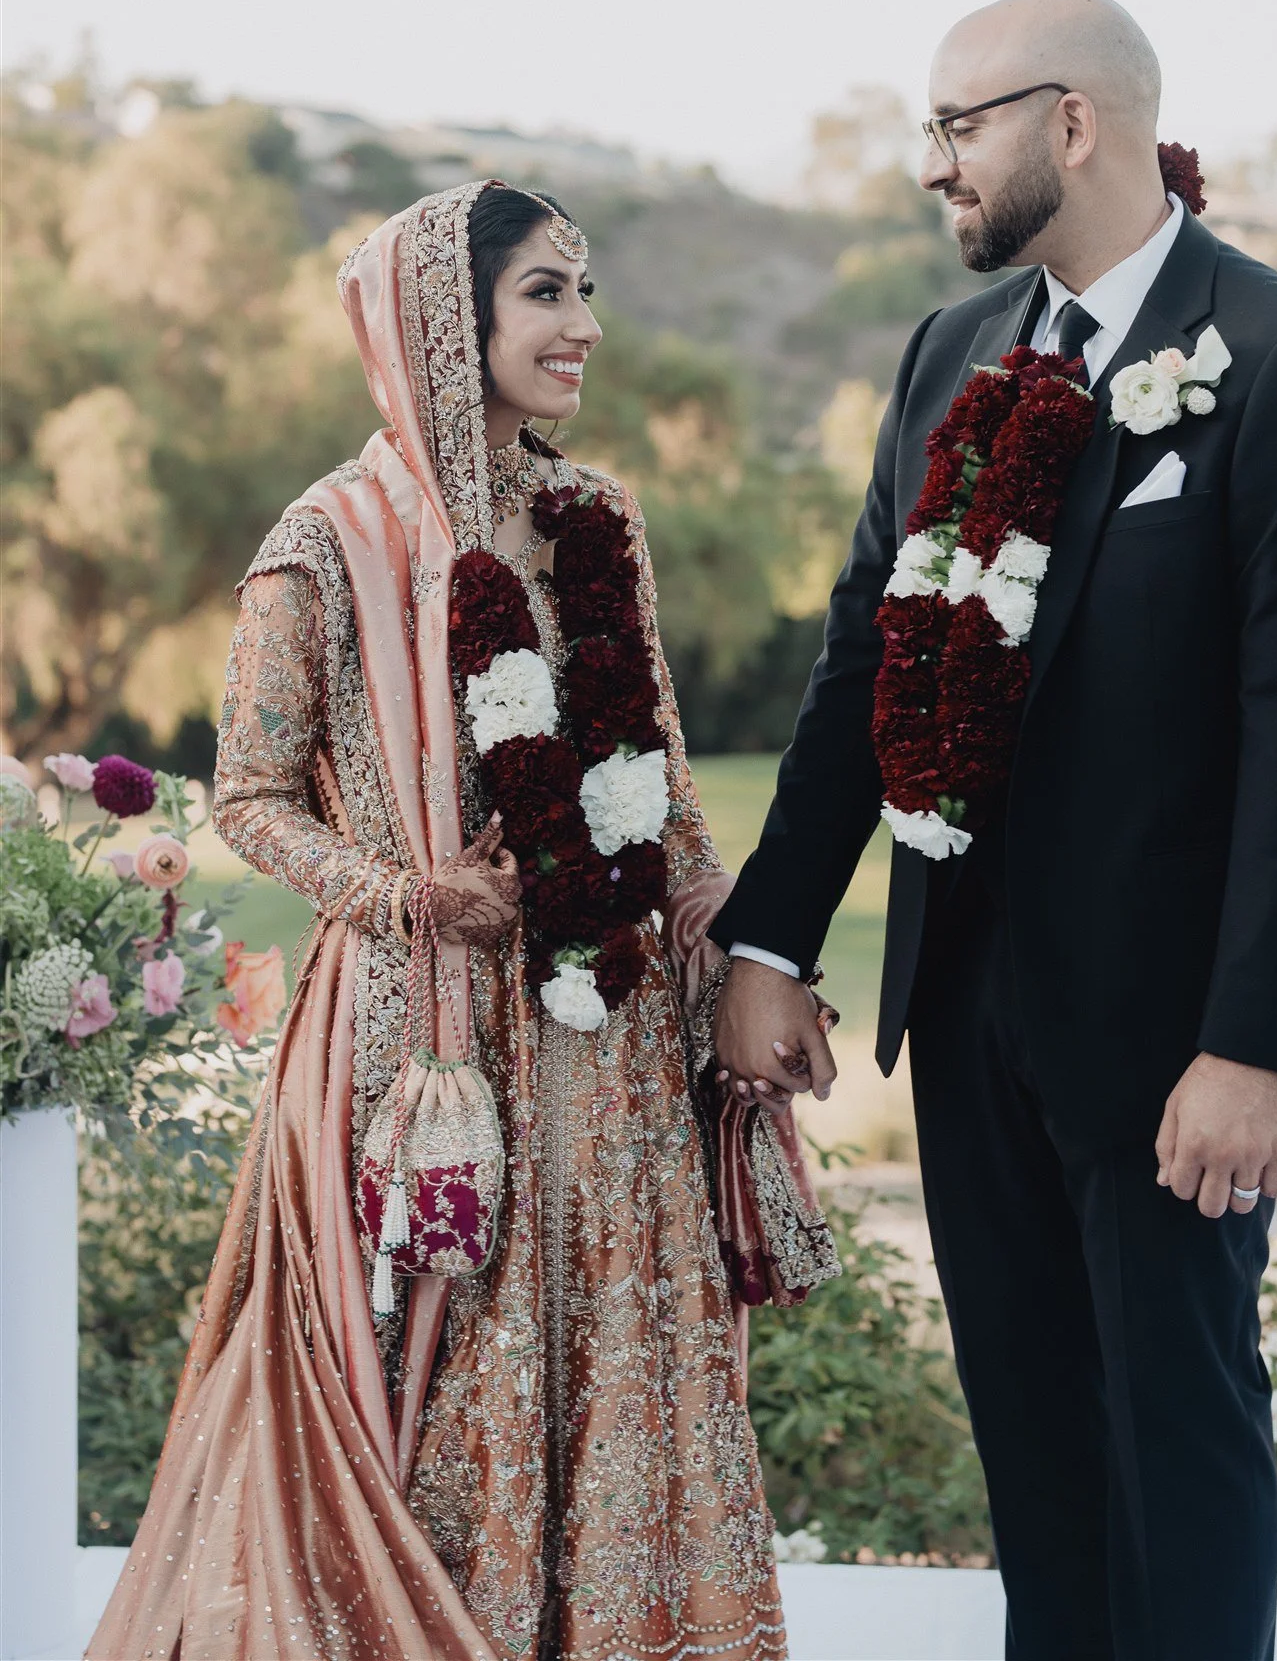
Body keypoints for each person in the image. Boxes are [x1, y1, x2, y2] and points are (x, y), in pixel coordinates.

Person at [89, 181, 837, 1661]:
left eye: (585, 291)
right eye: (548, 294)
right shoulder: (328, 537)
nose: (586, 328)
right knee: (430, 1381)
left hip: (611, 1044)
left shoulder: (591, 516)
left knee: (617, 1369)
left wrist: (741, 947)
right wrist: (411, 895)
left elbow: (665, 789)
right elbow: (246, 795)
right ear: (449, 317)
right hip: (419, 1054)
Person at [710, 0, 1277, 1661]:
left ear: (1072, 122)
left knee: (1179, 1438)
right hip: (967, 1002)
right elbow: (864, 654)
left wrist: (1248, 1045)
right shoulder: (950, 353)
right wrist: (770, 939)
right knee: (1037, 1455)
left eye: (957, 124)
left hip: (1174, 1035)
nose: (933, 165)